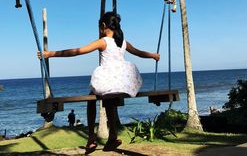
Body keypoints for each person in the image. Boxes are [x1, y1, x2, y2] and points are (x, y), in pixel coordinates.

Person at [38, 11, 160, 154]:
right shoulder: (123, 43)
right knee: (109, 99)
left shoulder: (103, 41)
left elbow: (77, 51)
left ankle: (91, 137)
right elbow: (139, 53)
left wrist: (51, 54)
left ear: (103, 26)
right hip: (125, 81)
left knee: (92, 99)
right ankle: (112, 136)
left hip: (110, 79)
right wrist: (154, 56)